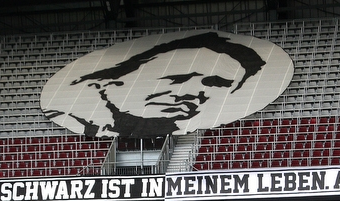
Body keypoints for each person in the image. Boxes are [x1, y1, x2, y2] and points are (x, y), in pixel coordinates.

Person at [43, 31, 266, 137]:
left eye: (215, 84)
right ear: (119, 80)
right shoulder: (71, 115)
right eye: (179, 78)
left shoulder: (175, 127)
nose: (196, 93)